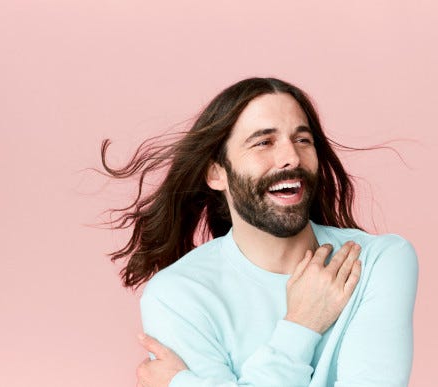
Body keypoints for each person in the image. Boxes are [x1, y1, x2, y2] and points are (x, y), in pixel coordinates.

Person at [101, 77, 419, 387]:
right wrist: (302, 324)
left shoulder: (378, 262)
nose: (291, 157)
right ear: (216, 173)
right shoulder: (176, 295)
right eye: (264, 142)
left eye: (302, 140)